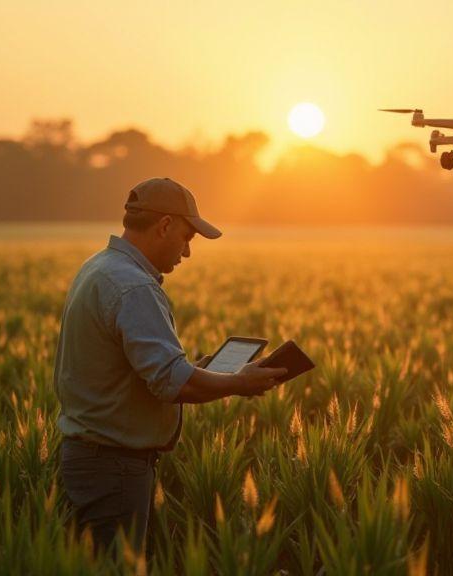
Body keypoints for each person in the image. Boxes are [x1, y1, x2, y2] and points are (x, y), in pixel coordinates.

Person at [53, 177, 287, 555]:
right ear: (164, 226)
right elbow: (173, 384)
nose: (188, 252)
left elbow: (145, 373)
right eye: (187, 238)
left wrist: (204, 370)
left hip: (89, 458)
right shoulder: (135, 287)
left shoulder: (98, 267)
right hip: (115, 468)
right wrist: (238, 383)